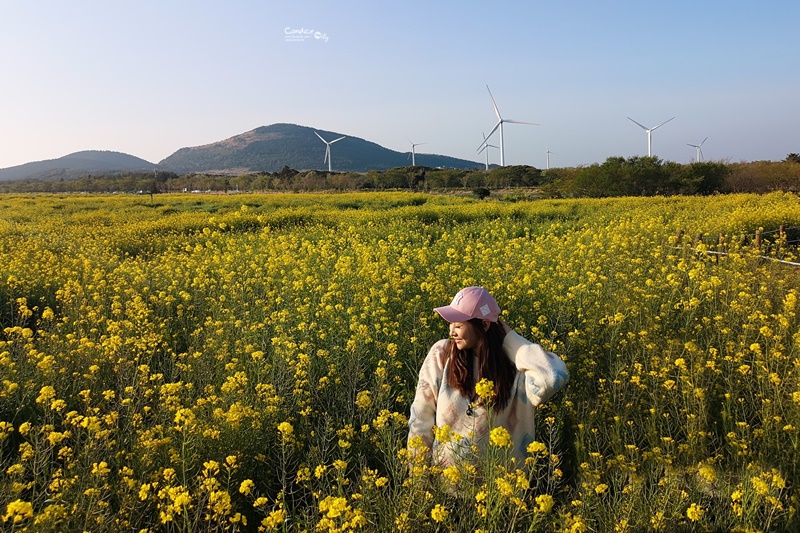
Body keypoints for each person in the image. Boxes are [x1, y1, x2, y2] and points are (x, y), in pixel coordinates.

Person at [408, 286, 569, 467]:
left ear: (484, 325)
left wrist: (509, 338)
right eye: (451, 324)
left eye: (459, 325)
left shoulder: (516, 367)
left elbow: (552, 377)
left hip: (501, 490)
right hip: (445, 488)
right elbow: (420, 417)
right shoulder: (442, 354)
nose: (451, 332)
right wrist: (417, 476)